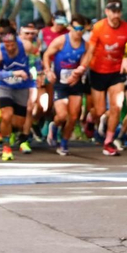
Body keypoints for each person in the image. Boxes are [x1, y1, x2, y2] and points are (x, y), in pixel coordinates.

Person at [80, 0, 127, 156]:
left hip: (115, 73)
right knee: (99, 111)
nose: (116, 15)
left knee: (117, 106)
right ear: (107, 12)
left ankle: (108, 142)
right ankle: (92, 118)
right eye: (113, 12)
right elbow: (90, 51)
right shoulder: (98, 27)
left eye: (118, 12)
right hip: (97, 71)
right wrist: (81, 68)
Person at [0, 22, 36, 161]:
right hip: (5, 86)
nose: (10, 47)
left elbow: (35, 59)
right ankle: (6, 147)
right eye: (7, 44)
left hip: (22, 87)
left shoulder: (26, 46)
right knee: (7, 116)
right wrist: (12, 73)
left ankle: (3, 120)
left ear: (17, 40)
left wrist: (34, 71)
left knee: (18, 123)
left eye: (12, 44)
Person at [42, 14, 90, 155]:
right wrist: (48, 71)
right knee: (62, 115)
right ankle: (54, 126)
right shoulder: (61, 41)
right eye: (76, 28)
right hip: (60, 82)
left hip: (75, 83)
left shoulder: (85, 46)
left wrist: (78, 73)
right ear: (70, 27)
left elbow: (84, 64)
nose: (79, 31)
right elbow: (46, 55)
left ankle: (64, 143)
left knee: (74, 116)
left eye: (82, 29)